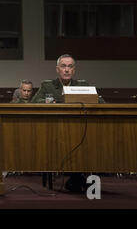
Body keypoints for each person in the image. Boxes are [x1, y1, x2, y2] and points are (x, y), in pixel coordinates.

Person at [31, 54, 104, 193]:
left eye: (70, 67)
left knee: (90, 143)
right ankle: (78, 179)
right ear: (57, 69)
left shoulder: (83, 85)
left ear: (74, 70)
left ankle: (79, 179)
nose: (66, 70)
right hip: (56, 132)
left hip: (81, 131)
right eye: (63, 66)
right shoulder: (48, 86)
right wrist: (51, 102)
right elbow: (35, 102)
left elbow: (101, 102)